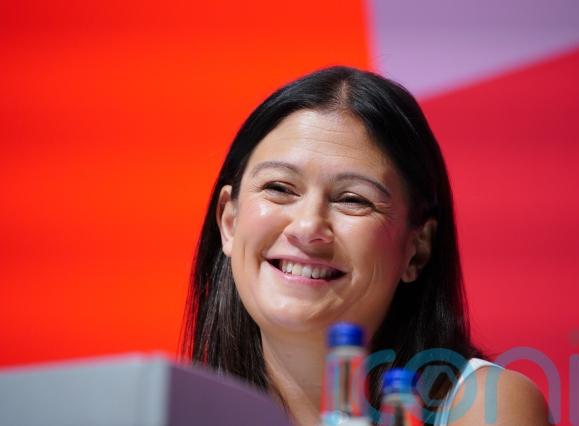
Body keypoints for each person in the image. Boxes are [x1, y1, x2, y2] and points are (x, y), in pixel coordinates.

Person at [181, 66, 550, 425]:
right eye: (279, 188)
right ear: (229, 222)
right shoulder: (179, 410)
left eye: (352, 199)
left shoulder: (484, 405)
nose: (308, 227)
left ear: (417, 248)